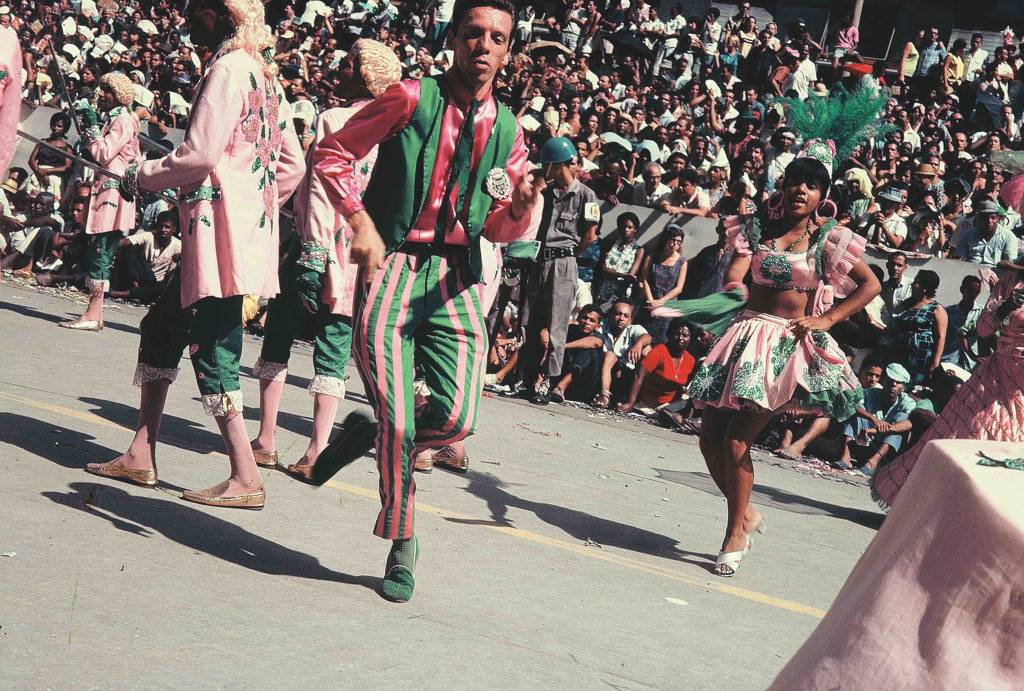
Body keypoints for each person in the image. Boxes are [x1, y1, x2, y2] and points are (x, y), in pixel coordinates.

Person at [312, 0, 544, 603]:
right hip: (394, 266)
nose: (485, 46)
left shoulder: (511, 129)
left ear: (509, 49)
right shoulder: (412, 98)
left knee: (460, 418)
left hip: (458, 278)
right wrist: (360, 221)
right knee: (400, 417)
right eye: (474, 33)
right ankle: (402, 541)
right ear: (454, 38)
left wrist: (518, 209)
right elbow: (332, 154)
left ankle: (370, 433)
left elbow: (498, 226)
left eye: (497, 37)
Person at [84, 0, 305, 510]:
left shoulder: (229, 69)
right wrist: (255, 202)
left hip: (217, 235)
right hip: (236, 232)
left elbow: (201, 154)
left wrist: (144, 175)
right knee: (162, 329)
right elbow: (291, 164)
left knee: (212, 346)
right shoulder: (264, 74)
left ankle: (245, 476)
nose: (186, 18)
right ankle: (141, 453)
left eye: (196, 9)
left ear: (223, 13)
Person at [654, 90, 886, 575]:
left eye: (812, 186)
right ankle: (747, 513)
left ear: (824, 195)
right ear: (785, 184)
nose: (801, 191)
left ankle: (733, 532)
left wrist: (824, 320)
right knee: (707, 438)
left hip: (785, 346)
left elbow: (870, 284)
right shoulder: (757, 226)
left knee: (738, 440)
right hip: (744, 338)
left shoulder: (829, 238)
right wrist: (733, 288)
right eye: (796, 181)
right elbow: (738, 269)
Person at [250, 40, 402, 483]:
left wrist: (313, 252)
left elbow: (318, 191)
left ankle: (267, 437)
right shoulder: (394, 130)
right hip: (361, 253)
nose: (342, 68)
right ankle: (318, 446)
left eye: (351, 64)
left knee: (279, 332)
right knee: (334, 346)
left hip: (319, 245)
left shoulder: (334, 119)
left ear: (365, 74)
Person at [873, 264, 1024, 509]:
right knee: (975, 434)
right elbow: (984, 327)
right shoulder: (1010, 281)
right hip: (996, 380)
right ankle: (938, 510)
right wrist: (1006, 307)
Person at [518, 136, 600, 405]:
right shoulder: (547, 194)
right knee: (531, 320)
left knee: (556, 325)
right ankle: (527, 379)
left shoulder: (587, 195)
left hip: (564, 262)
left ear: (557, 165)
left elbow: (590, 236)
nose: (545, 171)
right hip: (540, 259)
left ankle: (547, 381)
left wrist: (569, 255)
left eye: (548, 166)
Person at [59, 72, 141, 331]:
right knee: (99, 250)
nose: (101, 96)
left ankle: (93, 314)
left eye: (106, 91)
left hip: (112, 193)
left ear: (117, 95)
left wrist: (92, 127)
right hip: (111, 192)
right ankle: (94, 312)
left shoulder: (122, 121)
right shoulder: (122, 119)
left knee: (101, 252)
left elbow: (103, 153)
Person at [837, 363, 916, 476]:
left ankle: (872, 463)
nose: (893, 384)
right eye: (890, 380)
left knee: (901, 421)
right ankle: (845, 457)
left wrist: (876, 430)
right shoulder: (870, 393)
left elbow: (909, 424)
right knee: (855, 416)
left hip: (887, 449)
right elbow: (853, 406)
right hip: (864, 442)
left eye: (898, 382)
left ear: (903, 387)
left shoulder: (907, 402)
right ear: (884, 381)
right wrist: (873, 419)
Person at [617, 318, 695, 414]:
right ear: (670, 335)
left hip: (671, 406)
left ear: (691, 338)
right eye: (677, 334)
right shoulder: (659, 352)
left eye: (685, 335)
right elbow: (639, 376)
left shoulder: (690, 360)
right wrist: (630, 402)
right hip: (648, 405)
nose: (680, 338)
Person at [888, 269, 947, 386]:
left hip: (921, 357)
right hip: (899, 352)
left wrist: (935, 363)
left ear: (925, 288)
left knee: (914, 386)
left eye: (916, 282)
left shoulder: (936, 308)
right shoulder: (906, 304)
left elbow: (941, 337)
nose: (912, 284)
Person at [594, 300, 651, 407]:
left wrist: (638, 344)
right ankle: (604, 395)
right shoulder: (603, 326)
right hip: (600, 370)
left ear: (630, 320)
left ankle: (631, 399)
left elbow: (647, 337)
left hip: (625, 376)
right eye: (617, 314)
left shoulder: (633, 329)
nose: (621, 318)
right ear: (611, 315)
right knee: (610, 355)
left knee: (647, 349)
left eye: (626, 316)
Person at [638, 224, 687, 343]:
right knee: (641, 336)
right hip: (649, 302)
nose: (675, 243)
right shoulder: (652, 257)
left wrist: (661, 302)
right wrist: (651, 301)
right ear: (666, 238)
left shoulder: (682, 262)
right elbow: (644, 279)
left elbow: (679, 288)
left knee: (661, 340)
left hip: (667, 306)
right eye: (673, 240)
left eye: (679, 241)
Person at [548, 303, 605, 403]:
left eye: (592, 321)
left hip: (583, 387)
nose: (587, 322)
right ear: (578, 318)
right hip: (561, 378)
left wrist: (562, 347)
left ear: (597, 326)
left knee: (590, 350)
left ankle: (561, 387)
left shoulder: (598, 337)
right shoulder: (571, 330)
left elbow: (595, 343)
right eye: (584, 318)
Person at [594, 210, 643, 310]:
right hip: (604, 288)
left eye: (630, 227)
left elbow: (630, 277)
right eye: (623, 226)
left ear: (635, 229)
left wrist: (616, 275)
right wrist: (621, 275)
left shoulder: (638, 250)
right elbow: (603, 270)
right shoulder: (610, 245)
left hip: (622, 291)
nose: (626, 230)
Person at [952, 200, 1019, 268]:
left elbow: (1011, 264)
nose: (989, 221)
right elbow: (958, 259)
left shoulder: (1008, 236)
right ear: (979, 218)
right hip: (970, 272)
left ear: (998, 219)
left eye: (993, 218)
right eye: (985, 217)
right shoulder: (968, 235)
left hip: (995, 274)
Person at [941, 274, 983, 370]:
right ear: (962, 289)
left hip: (971, 365)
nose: (973, 294)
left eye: (976, 292)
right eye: (970, 290)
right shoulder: (948, 312)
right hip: (948, 360)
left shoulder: (982, 313)